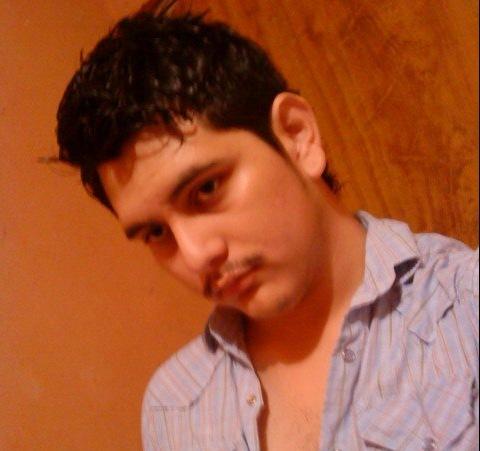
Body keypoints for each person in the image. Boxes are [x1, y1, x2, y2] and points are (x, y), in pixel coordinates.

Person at [56, 2, 479, 450]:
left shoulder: (465, 311)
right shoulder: (175, 406)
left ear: (297, 136)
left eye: (206, 188)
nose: (196, 255)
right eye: (156, 233)